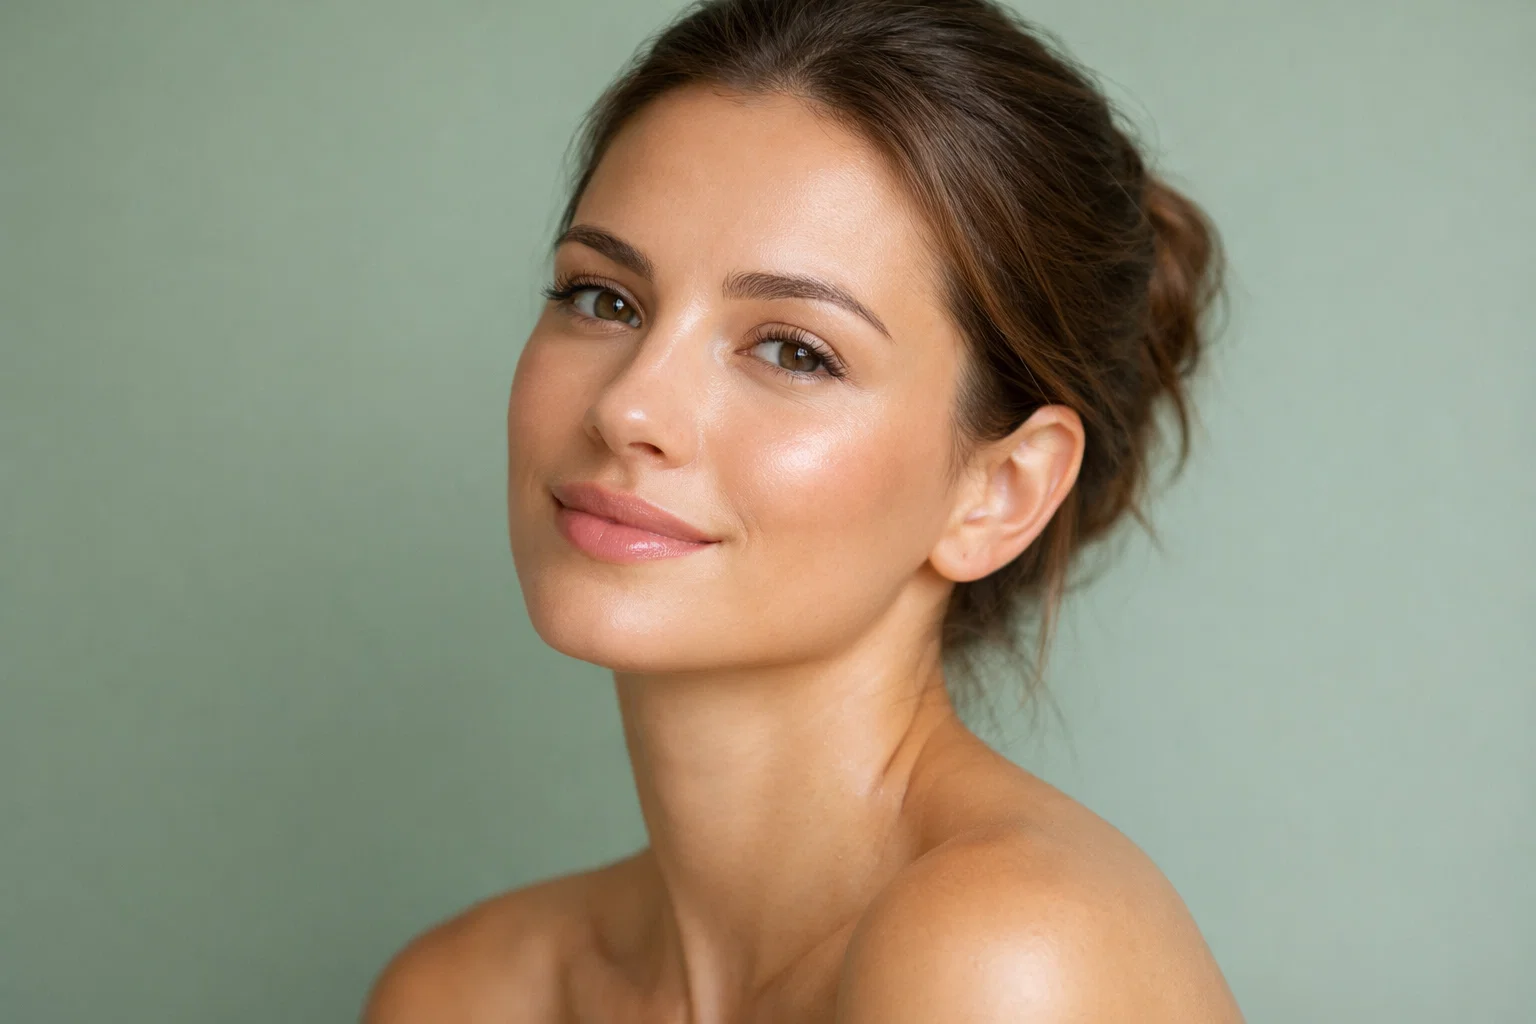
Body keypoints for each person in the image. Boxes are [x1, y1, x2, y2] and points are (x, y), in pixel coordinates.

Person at [363, 0, 1240, 1019]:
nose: (629, 406)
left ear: (997, 492)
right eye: (603, 298)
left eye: (792, 349)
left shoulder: (1005, 953)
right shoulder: (462, 994)